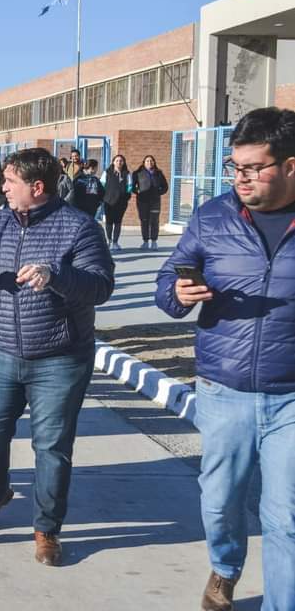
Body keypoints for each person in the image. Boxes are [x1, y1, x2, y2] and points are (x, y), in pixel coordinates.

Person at [155, 107, 295, 611]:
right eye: (235, 167)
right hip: (224, 388)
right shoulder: (212, 216)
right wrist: (178, 292)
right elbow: (168, 283)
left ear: (291, 166)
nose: (241, 178)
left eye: (254, 168)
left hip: (292, 398)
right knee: (221, 503)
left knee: (286, 518)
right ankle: (225, 566)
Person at [0, 147, 114, 567]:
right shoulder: (0, 222)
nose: (1, 186)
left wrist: (55, 276)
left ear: (37, 187)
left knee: (52, 447)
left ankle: (46, 528)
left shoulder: (79, 228)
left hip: (59, 358)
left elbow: (100, 286)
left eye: (9, 182)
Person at [132, 154, 168, 249]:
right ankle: (145, 241)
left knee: (155, 221)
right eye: (147, 161)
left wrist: (159, 192)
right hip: (142, 201)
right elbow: (132, 186)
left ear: (154, 162)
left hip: (155, 201)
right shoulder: (138, 173)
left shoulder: (159, 173)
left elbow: (165, 186)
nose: (149, 162)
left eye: (151, 161)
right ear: (144, 163)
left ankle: (154, 241)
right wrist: (137, 192)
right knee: (144, 221)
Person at [101, 154, 132, 250]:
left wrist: (126, 197)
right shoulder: (107, 172)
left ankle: (115, 242)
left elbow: (129, 187)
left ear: (124, 162)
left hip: (121, 203)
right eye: (117, 160)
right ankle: (108, 240)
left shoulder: (126, 174)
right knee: (109, 222)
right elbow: (101, 185)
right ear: (113, 162)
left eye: (121, 161)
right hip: (108, 202)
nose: (119, 162)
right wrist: (103, 198)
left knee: (118, 222)